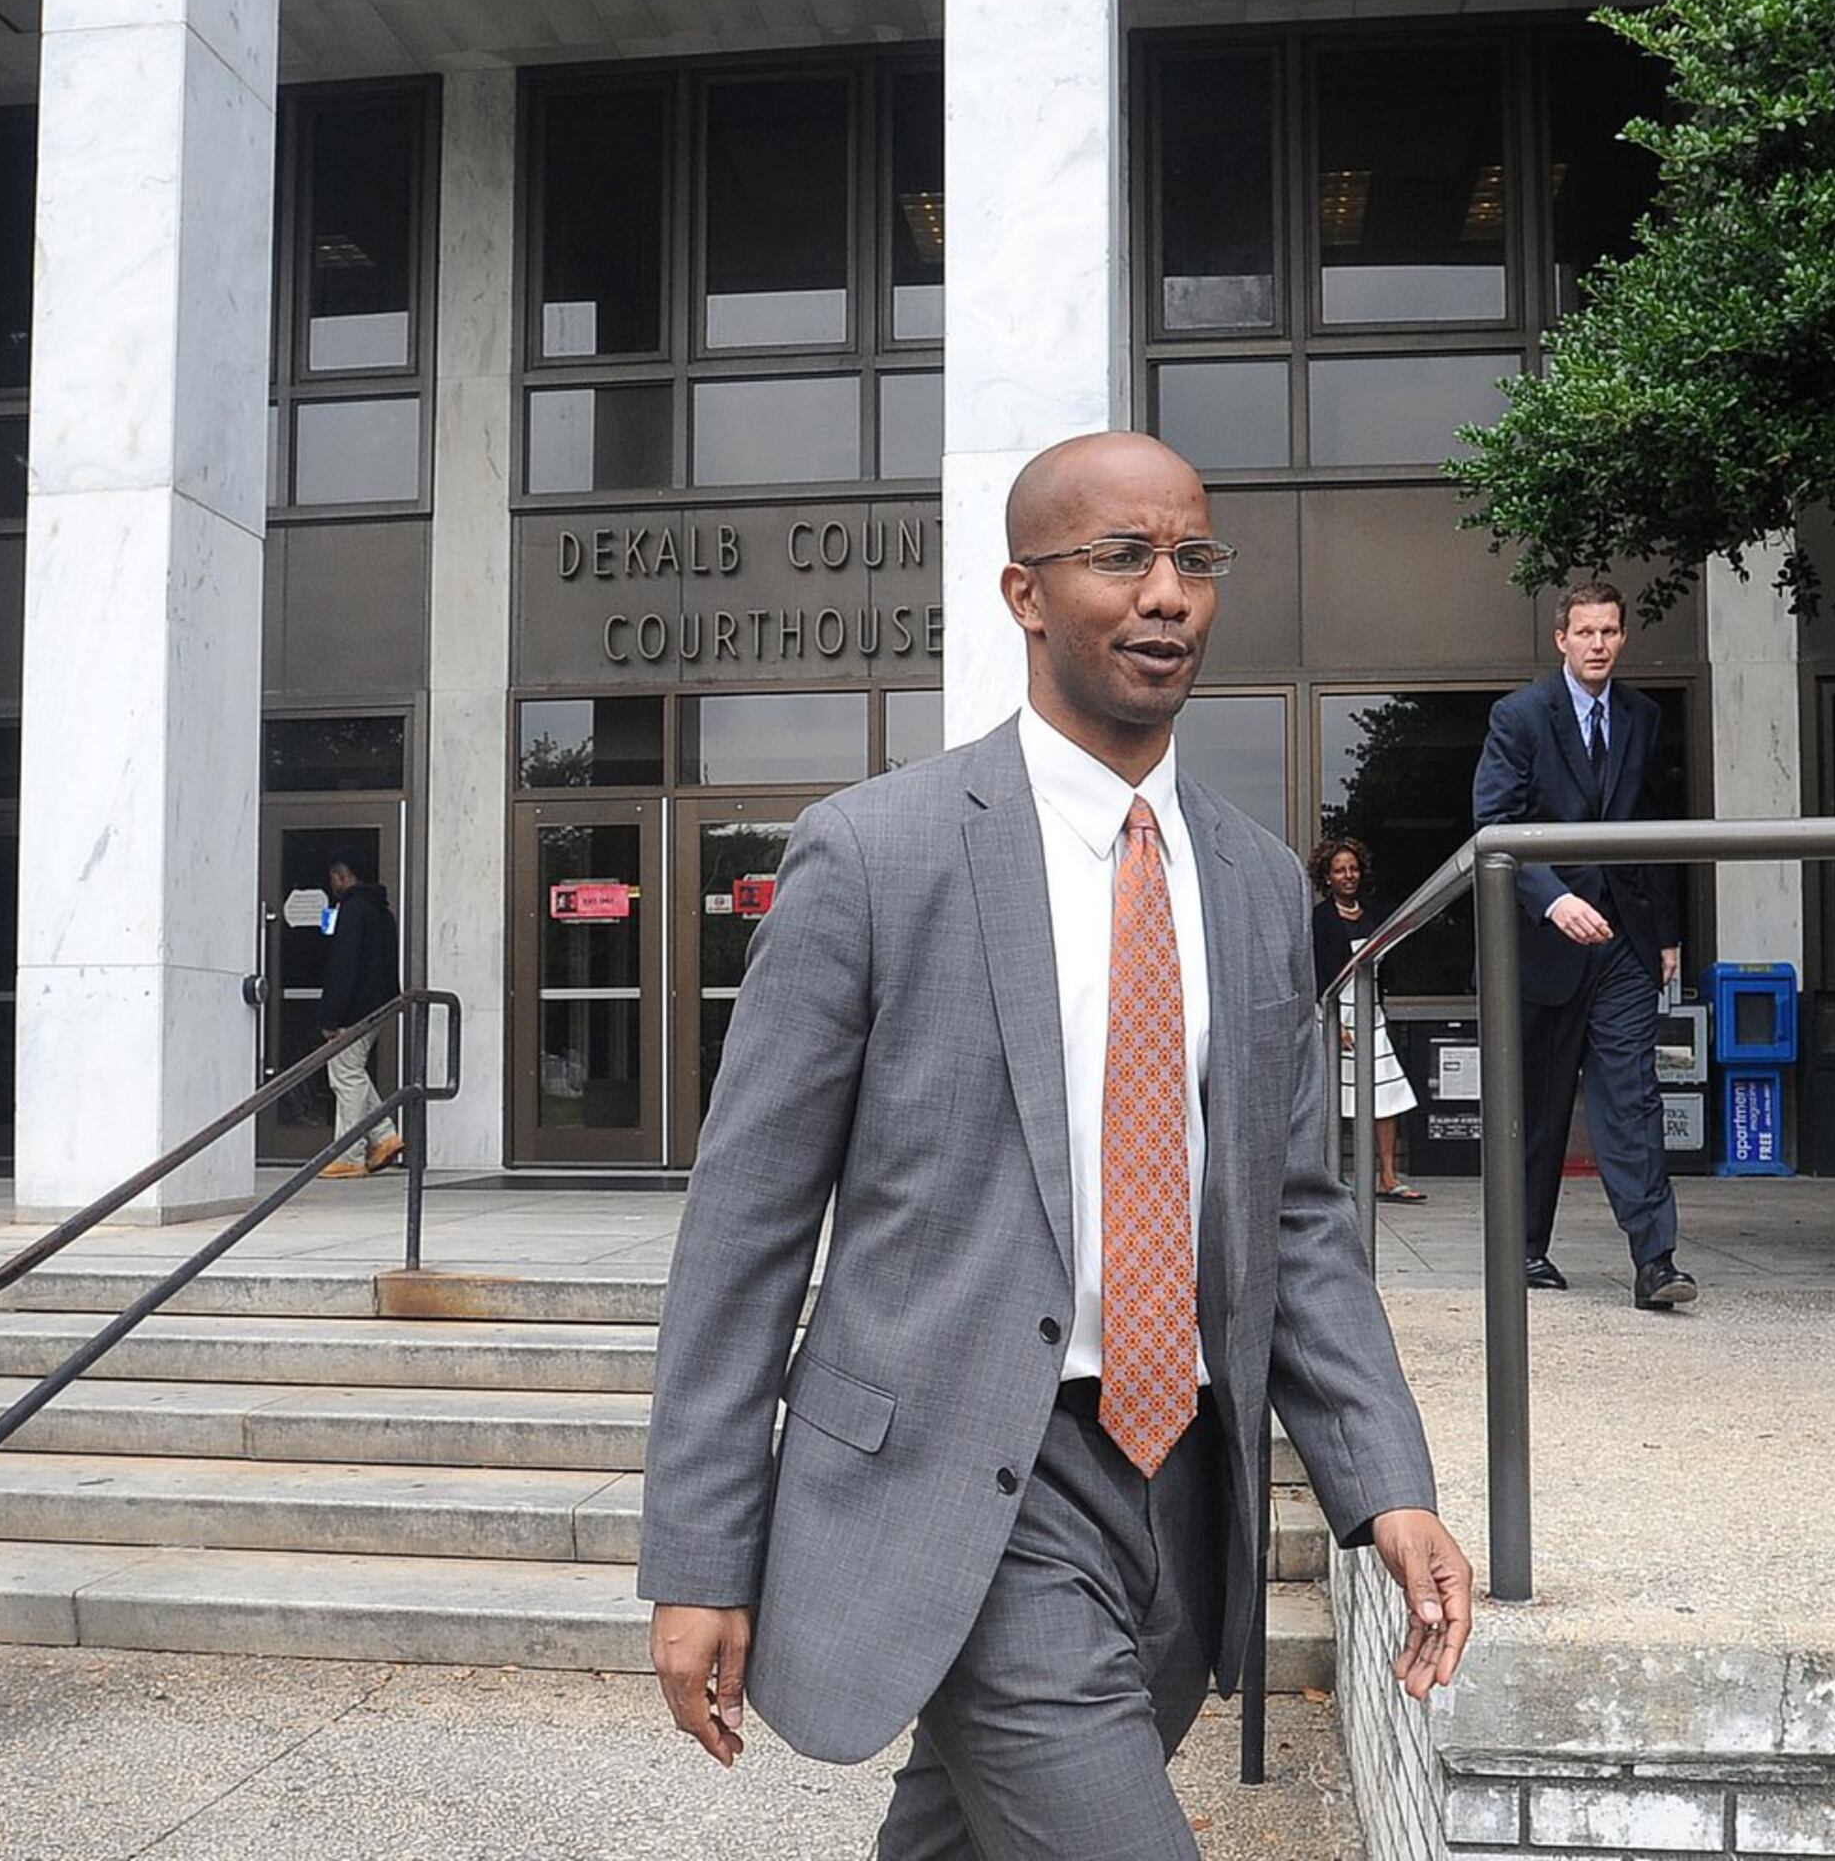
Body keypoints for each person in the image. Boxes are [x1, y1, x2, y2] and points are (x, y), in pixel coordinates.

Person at [638, 433, 1476, 1855]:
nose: (1167, 595)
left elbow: (1293, 1217)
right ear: (1027, 594)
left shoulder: (1260, 885)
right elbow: (746, 1231)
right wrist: (700, 1553)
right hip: (957, 1482)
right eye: (1121, 560)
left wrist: (1385, 1481)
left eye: (1193, 561)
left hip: (1178, 1489)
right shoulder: (873, 856)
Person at [1472, 579, 1694, 1312]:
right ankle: (1527, 1248)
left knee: (1632, 1096)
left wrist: (1666, 931)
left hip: (1624, 944)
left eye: (1609, 632)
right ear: (1561, 639)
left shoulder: (1643, 717)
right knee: (1538, 1106)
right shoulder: (1520, 717)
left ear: (1622, 638)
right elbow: (1492, 825)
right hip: (1542, 943)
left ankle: (1655, 1261)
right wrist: (1554, 899)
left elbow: (1654, 829)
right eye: (1585, 633)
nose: (1598, 645)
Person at [1309, 836, 1426, 1205]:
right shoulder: (1320, 918)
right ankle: (1332, 1177)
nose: (1348, 876)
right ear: (1327, 877)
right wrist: (1331, 1022)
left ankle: (1387, 1177)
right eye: (1340, 870)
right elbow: (1312, 971)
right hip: (1335, 1016)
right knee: (1335, 1098)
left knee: (1385, 1093)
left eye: (1353, 869)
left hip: (1370, 1014)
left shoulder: (1373, 913)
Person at [309, 854, 404, 1178]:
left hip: (354, 1010)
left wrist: (330, 1017)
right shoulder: (383, 912)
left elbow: (343, 967)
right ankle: (384, 1137)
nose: (332, 884)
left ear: (342, 876)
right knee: (352, 1070)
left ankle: (350, 1154)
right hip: (378, 1005)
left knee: (345, 1073)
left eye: (333, 878)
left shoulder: (352, 910)